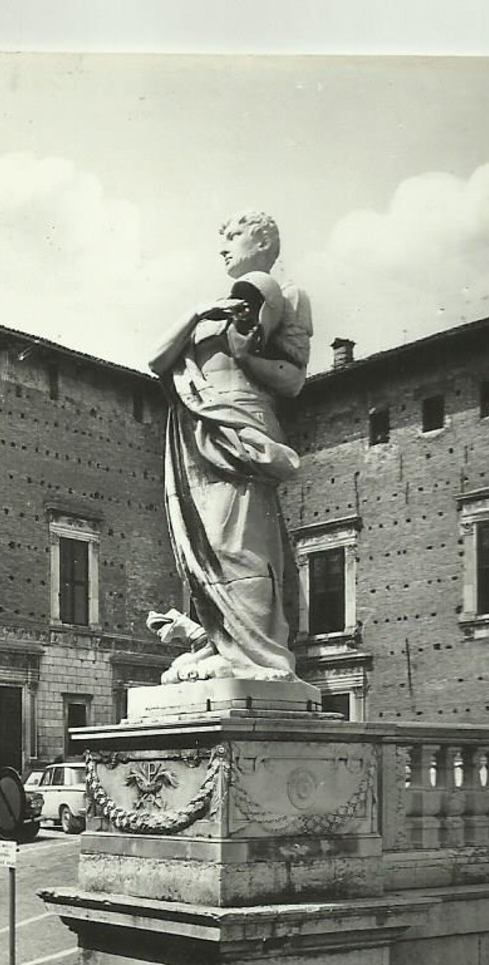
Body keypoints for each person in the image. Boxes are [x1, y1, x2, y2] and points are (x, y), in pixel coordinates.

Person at [147, 210, 311, 684]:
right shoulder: (208, 309)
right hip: (195, 433)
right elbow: (157, 359)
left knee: (240, 542)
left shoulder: (290, 295)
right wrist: (200, 313)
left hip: (242, 428)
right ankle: (220, 640)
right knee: (202, 545)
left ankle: (260, 655)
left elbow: (294, 378)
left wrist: (247, 352)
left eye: (234, 236)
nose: (224, 247)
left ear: (263, 242)